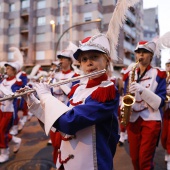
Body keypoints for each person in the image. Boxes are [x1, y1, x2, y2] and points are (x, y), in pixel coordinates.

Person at [22, 33, 120, 170]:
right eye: (84, 59)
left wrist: (46, 96)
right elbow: (60, 124)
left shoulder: (107, 91)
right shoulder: (78, 89)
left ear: (107, 60)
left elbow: (71, 122)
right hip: (67, 162)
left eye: (95, 57)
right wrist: (34, 103)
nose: (89, 62)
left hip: (92, 163)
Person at [122, 41, 166, 170]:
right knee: (135, 159)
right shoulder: (129, 74)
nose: (141, 55)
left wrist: (142, 90)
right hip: (133, 119)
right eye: (138, 52)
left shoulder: (159, 74)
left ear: (151, 56)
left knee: (145, 160)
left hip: (151, 119)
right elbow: (126, 96)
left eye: (144, 52)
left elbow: (160, 102)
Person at [0, 61, 22, 163]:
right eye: (6, 68)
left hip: (9, 111)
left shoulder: (18, 82)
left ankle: (5, 153)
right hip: (1, 109)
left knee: (1, 132)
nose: (6, 70)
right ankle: (16, 140)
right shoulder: (3, 81)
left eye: (8, 68)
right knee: (1, 132)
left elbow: (12, 95)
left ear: (14, 71)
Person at [161, 58, 170, 170]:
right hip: (166, 111)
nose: (169, 68)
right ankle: (167, 153)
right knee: (164, 137)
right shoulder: (164, 79)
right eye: (168, 65)